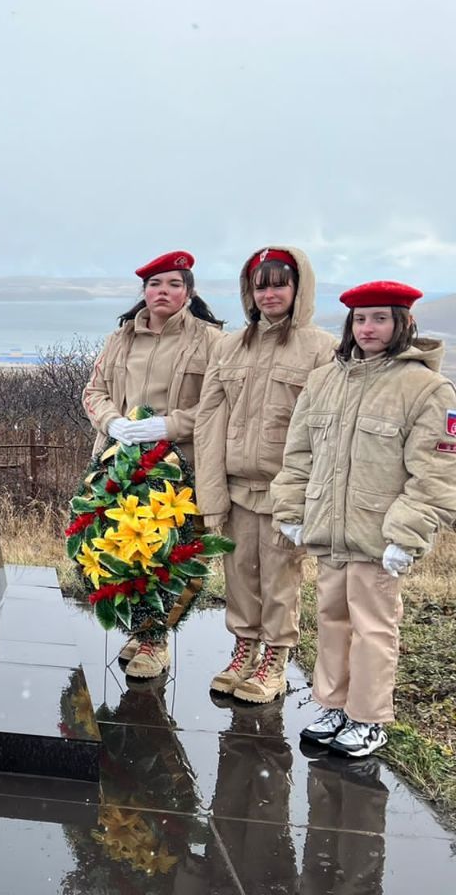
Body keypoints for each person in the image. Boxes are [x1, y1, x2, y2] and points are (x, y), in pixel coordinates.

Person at [271, 280, 456, 757]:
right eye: (360, 319)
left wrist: (407, 534)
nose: (368, 328)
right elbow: (298, 455)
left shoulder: (427, 388)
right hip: (329, 529)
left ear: (402, 323)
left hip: (380, 536)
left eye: (379, 318)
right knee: (331, 618)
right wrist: (292, 510)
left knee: (374, 627)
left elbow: (436, 472)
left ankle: (368, 717)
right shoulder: (325, 380)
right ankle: (334, 704)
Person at [194, 247, 336, 703]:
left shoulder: (321, 349)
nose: (270, 293)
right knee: (238, 574)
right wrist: (211, 494)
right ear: (249, 292)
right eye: (261, 285)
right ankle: (244, 651)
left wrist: (307, 498)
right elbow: (209, 420)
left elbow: (324, 429)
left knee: (280, 577)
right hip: (235, 488)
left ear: (299, 288)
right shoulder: (229, 346)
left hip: (284, 489)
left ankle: (275, 660)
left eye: (280, 283)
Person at [82, 250, 225, 678]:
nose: (163, 292)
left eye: (174, 284)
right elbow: (94, 392)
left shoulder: (212, 341)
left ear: (189, 292)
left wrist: (167, 426)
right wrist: (115, 423)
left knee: (167, 554)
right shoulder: (121, 338)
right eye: (155, 284)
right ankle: (139, 629)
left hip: (178, 467)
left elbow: (217, 406)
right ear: (144, 291)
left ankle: (155, 641)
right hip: (119, 463)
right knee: (120, 548)